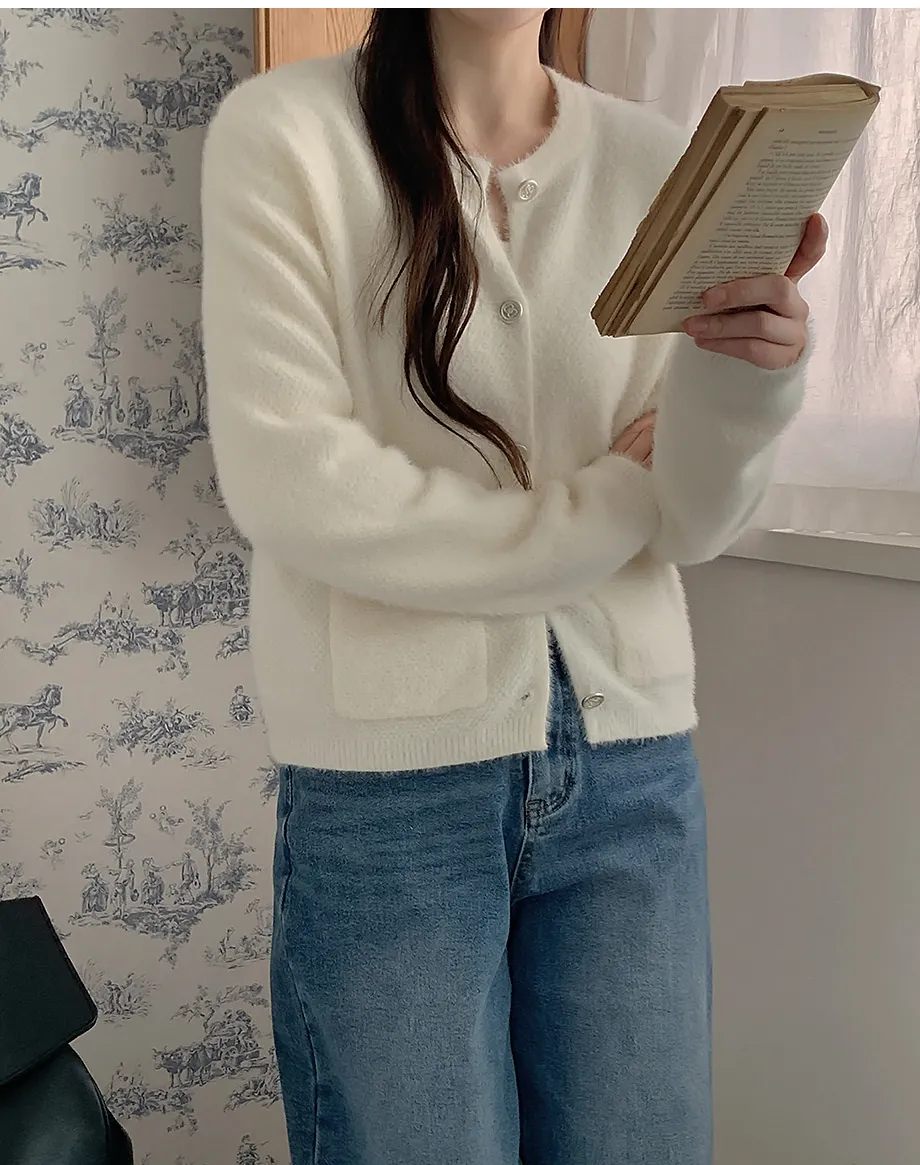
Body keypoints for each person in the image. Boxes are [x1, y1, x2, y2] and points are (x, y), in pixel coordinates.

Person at [201, 10, 825, 1165]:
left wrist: (750, 384)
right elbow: (296, 487)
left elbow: (690, 515)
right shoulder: (282, 136)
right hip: (389, 790)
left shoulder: (654, 162)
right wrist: (604, 505)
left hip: (630, 767)